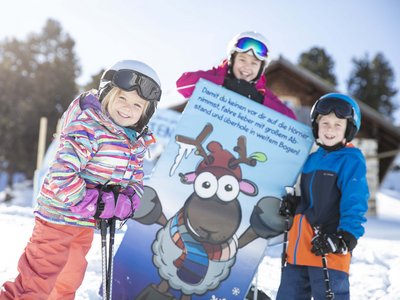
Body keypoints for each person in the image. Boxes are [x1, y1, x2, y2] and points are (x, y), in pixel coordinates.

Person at [0, 60, 162, 300]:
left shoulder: (134, 143)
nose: (128, 108)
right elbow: (61, 172)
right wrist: (91, 201)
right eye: (122, 99)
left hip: (84, 224)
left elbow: (135, 179)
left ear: (145, 112)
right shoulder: (89, 127)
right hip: (57, 217)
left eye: (137, 105)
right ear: (108, 95)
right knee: (39, 279)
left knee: (69, 279)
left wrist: (128, 200)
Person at [277, 93, 370, 299]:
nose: (330, 129)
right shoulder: (311, 159)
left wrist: (345, 238)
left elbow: (355, 202)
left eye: (338, 124)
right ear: (316, 126)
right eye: (325, 123)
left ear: (349, 129)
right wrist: (294, 205)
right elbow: (313, 200)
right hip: (298, 250)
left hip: (327, 249)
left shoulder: (350, 160)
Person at [176, 31, 296, 120]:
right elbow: (183, 85)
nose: (247, 67)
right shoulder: (216, 75)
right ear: (232, 60)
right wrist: (224, 83)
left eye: (254, 63)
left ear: (261, 69)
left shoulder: (261, 92)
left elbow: (291, 121)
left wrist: (258, 99)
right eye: (242, 60)